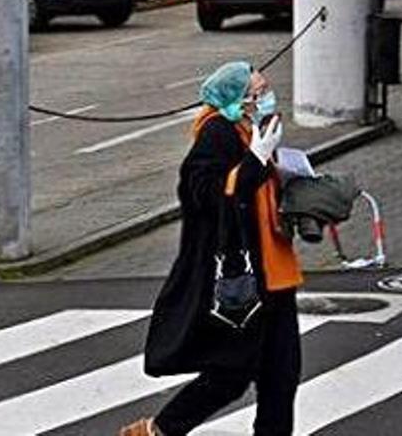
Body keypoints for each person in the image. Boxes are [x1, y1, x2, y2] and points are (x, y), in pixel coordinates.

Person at [119, 61, 304, 436]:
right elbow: (205, 193)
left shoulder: (249, 129)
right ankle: (156, 430)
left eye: (265, 90)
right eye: (258, 93)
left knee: (281, 375)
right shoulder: (216, 133)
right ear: (237, 99)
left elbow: (258, 195)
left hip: (275, 270)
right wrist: (255, 161)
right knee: (233, 372)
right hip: (243, 274)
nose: (265, 98)